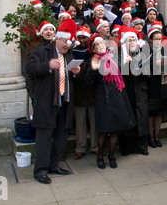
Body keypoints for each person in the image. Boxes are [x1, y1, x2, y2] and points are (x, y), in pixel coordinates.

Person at [27, 18, 81, 184]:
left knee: (60, 137)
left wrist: (76, 72)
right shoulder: (40, 52)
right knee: (44, 138)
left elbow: (73, 78)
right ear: (57, 38)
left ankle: (54, 165)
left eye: (69, 43)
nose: (67, 46)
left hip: (64, 103)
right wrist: (48, 65)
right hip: (46, 103)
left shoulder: (69, 55)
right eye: (64, 42)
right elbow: (30, 69)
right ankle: (41, 170)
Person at [86, 33, 136, 169]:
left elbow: (122, 72)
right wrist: (93, 69)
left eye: (102, 43)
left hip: (117, 95)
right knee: (103, 129)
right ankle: (100, 155)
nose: (101, 45)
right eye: (98, 44)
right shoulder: (94, 60)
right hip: (103, 97)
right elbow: (88, 81)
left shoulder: (113, 57)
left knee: (115, 129)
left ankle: (112, 155)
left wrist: (129, 62)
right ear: (94, 49)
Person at [118, 26, 150, 156]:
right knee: (126, 119)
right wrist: (128, 64)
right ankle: (126, 147)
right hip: (125, 93)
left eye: (133, 40)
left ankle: (142, 146)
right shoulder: (119, 55)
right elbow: (119, 72)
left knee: (141, 120)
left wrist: (142, 71)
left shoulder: (142, 54)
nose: (131, 42)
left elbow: (148, 75)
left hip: (140, 92)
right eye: (129, 40)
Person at [72, 26, 98, 160]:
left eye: (84, 38)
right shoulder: (73, 52)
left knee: (94, 121)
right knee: (80, 123)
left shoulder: (94, 52)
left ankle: (95, 146)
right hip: (79, 91)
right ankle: (80, 148)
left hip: (92, 91)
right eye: (80, 38)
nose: (82, 40)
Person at [147, 28, 167, 148]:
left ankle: (157, 136)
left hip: (163, 83)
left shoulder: (163, 49)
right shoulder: (147, 50)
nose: (158, 42)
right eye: (155, 39)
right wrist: (155, 63)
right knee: (151, 113)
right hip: (152, 85)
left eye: (160, 39)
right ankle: (150, 137)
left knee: (160, 113)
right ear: (151, 40)